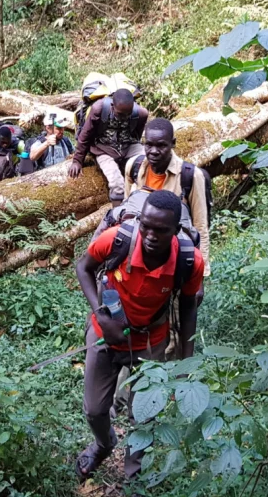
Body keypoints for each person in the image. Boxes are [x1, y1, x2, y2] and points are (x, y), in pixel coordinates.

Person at [75, 190, 204, 480]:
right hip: (103, 335)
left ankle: (134, 477)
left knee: (143, 416)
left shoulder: (188, 260)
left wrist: (187, 362)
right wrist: (100, 316)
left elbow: (187, 307)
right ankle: (103, 445)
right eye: (146, 225)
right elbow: (83, 267)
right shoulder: (117, 238)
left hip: (151, 342)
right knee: (95, 410)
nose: (150, 235)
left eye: (161, 230)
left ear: (175, 230)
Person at [125, 118, 211, 279]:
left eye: (161, 145)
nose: (154, 151)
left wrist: (201, 273)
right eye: (149, 144)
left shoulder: (190, 176)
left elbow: (200, 225)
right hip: (138, 251)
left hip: (174, 254)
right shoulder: (134, 167)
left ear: (173, 143)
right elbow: (128, 210)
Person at [68, 89, 148, 205]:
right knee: (116, 182)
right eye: (120, 114)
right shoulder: (99, 109)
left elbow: (136, 135)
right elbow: (85, 136)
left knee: (147, 164)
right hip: (102, 149)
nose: (124, 118)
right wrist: (77, 161)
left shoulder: (141, 114)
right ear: (112, 105)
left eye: (128, 114)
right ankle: (117, 214)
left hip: (128, 145)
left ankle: (143, 203)